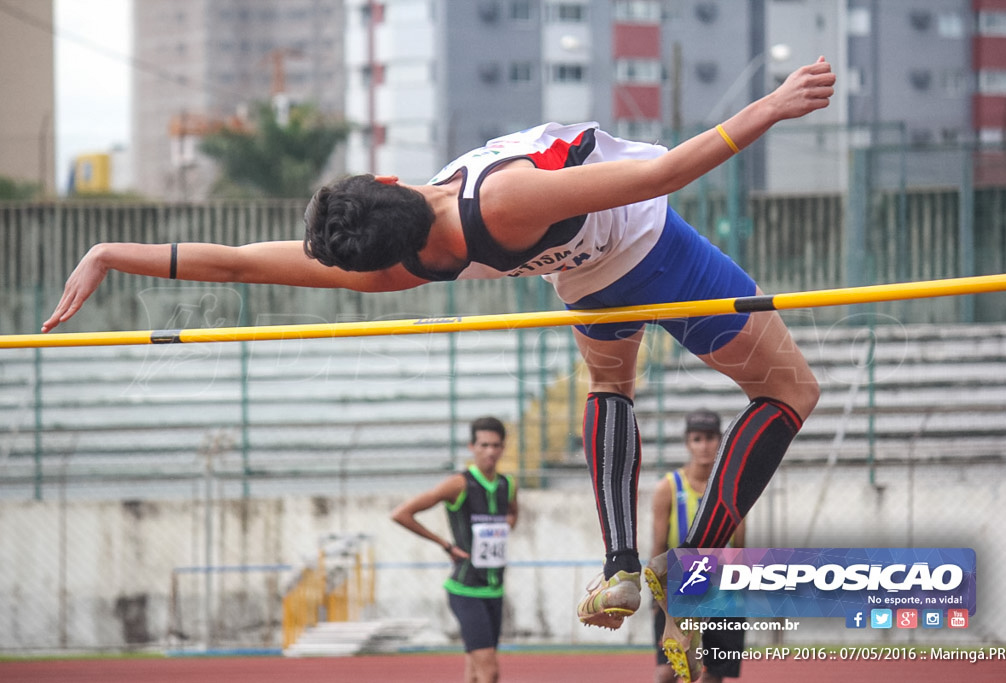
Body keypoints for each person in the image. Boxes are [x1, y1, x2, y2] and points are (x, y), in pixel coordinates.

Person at [42, 57, 832, 674]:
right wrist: (773, 104)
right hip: (650, 246)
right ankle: (698, 559)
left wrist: (115, 251)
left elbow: (242, 264)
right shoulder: (500, 199)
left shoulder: (394, 268)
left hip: (586, 282)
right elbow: (661, 174)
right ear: (388, 180)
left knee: (610, 384)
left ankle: (622, 562)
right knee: (789, 391)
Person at [390, 416, 517, 683]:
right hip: (466, 589)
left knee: (474, 670)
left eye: (496, 445)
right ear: (472, 447)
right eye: (484, 445)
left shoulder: (508, 484)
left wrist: (501, 530)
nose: (490, 451)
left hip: (495, 589)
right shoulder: (459, 484)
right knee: (490, 672)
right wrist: (445, 545)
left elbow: (513, 513)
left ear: (503, 447)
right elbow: (402, 514)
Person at [650, 409, 747, 683]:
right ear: (687, 442)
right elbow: (658, 544)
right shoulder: (668, 488)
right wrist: (656, 595)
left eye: (711, 438)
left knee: (712, 674)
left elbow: (739, 545)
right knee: (667, 671)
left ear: (720, 441)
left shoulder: (732, 488)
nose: (704, 446)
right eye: (697, 438)